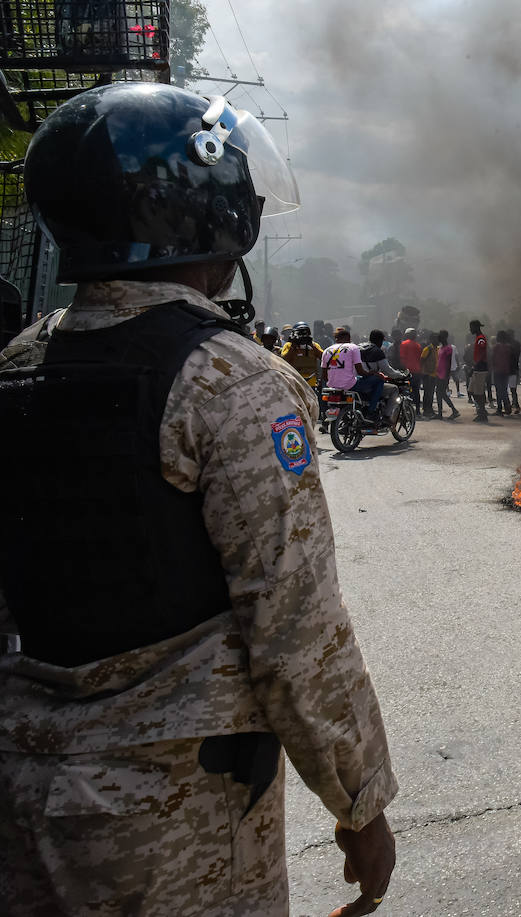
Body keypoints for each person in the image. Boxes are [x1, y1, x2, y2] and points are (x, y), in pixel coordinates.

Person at [0, 82, 395, 916]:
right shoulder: (232, 383)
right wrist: (361, 804)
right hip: (174, 821)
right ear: (197, 203)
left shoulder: (19, 366)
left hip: (22, 797)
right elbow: (296, 628)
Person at [321, 326, 385, 422]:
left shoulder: (326, 350)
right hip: (350, 385)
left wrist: (335, 381)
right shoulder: (353, 347)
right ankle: (371, 411)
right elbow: (360, 372)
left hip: (332, 387)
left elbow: (324, 376)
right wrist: (371, 373)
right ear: (347, 338)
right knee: (379, 379)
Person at [360, 328, 409, 422]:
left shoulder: (359, 347)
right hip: (368, 383)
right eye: (382, 341)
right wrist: (401, 375)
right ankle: (386, 416)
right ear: (379, 340)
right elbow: (388, 371)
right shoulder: (377, 351)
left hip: (356, 381)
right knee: (394, 389)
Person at [280, 321, 324, 388]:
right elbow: (283, 361)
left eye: (305, 333)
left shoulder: (314, 345)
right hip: (294, 381)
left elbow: (324, 358)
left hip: (311, 383)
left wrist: (312, 346)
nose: (302, 336)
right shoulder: (289, 345)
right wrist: (293, 346)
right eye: (300, 333)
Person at [469, 320, 490, 422]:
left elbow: (482, 352)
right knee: (472, 391)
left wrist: (475, 365)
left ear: (476, 327)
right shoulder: (478, 338)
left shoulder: (481, 338)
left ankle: (482, 413)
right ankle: (482, 411)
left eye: (471, 327)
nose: (470, 329)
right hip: (477, 368)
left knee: (478, 392)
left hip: (480, 368)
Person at [434, 329, 459, 419]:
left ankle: (453, 410)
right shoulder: (441, 348)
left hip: (444, 374)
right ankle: (442, 413)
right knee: (440, 393)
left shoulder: (448, 348)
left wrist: (447, 375)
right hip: (439, 373)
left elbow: (448, 363)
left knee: (441, 393)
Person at [491, 329, 515, 416]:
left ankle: (500, 409)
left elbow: (492, 359)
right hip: (506, 371)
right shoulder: (509, 347)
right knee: (504, 390)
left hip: (497, 370)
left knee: (498, 390)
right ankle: (507, 407)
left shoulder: (496, 347)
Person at [397, 328, 422, 410]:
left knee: (405, 391)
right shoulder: (418, 345)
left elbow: (402, 358)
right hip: (417, 371)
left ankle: (406, 410)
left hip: (407, 372)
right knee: (416, 391)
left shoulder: (403, 344)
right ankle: (417, 410)